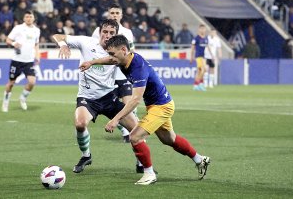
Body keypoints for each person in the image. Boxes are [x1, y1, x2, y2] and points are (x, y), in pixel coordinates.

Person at [80, 35, 211, 185]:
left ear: (123, 50)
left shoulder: (138, 67)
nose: (111, 57)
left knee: (135, 136)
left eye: (112, 54)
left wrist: (116, 119)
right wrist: (91, 62)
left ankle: (149, 174)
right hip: (156, 105)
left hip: (162, 106)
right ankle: (200, 160)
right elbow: (110, 60)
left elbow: (135, 100)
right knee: (169, 139)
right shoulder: (122, 58)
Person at [52, 19, 146, 174]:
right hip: (87, 98)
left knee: (137, 129)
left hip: (110, 97)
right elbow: (57, 36)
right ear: (100, 32)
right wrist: (63, 45)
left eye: (111, 33)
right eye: (105, 32)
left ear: (116, 35)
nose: (107, 36)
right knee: (80, 124)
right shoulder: (86, 42)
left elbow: (132, 67)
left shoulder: (118, 52)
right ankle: (86, 155)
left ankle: (141, 164)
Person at [92, 3, 135, 143]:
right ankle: (124, 130)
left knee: (128, 106)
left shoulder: (127, 33)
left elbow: (131, 52)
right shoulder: (98, 31)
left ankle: (133, 131)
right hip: (108, 77)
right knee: (112, 107)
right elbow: (93, 50)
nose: (115, 15)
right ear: (108, 14)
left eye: (117, 13)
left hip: (123, 75)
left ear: (121, 15)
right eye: (112, 13)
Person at [2, 11, 41, 112]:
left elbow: (36, 44)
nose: (28, 18)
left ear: (33, 18)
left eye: (30, 17)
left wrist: (37, 55)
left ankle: (22, 98)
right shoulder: (18, 28)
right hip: (16, 61)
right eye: (27, 17)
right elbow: (8, 40)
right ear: (24, 18)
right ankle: (5, 102)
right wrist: (14, 43)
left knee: (32, 82)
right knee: (11, 83)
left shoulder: (37, 30)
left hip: (28, 61)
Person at [190, 25, 211, 91]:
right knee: (203, 69)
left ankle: (196, 85)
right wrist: (191, 57)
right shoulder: (196, 38)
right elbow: (192, 48)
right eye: (201, 29)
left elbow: (208, 46)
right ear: (199, 30)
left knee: (200, 71)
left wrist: (212, 55)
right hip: (198, 56)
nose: (202, 30)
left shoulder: (206, 38)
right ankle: (199, 84)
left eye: (203, 29)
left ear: (205, 30)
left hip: (203, 56)